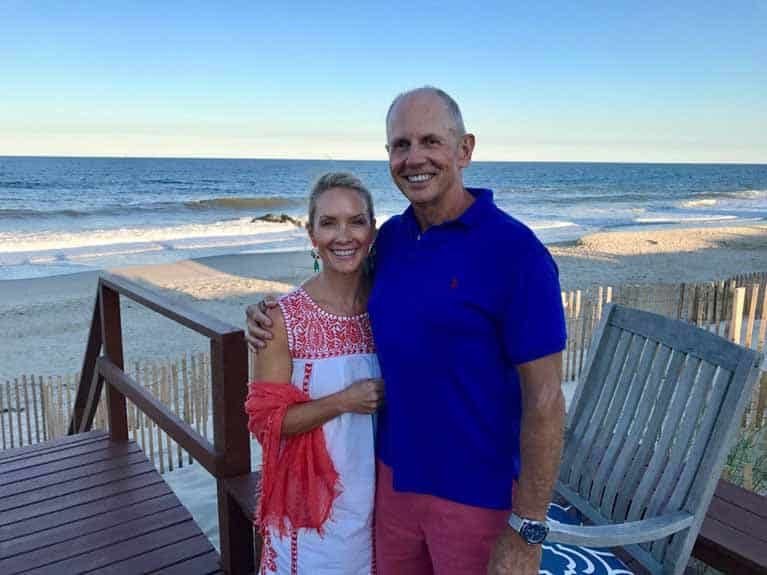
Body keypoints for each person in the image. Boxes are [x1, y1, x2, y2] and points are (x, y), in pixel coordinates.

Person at [247, 87, 567, 575]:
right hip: (390, 487)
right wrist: (267, 314)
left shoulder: (518, 254)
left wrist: (528, 528)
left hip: (475, 496)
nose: (414, 158)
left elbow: (545, 401)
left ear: (465, 149)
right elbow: (340, 276)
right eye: (401, 145)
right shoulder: (393, 239)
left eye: (430, 141)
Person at [244, 172, 384, 574]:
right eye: (328, 223)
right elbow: (265, 424)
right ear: (311, 234)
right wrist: (344, 401)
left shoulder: (390, 305)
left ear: (372, 231)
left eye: (356, 221)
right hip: (314, 507)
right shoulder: (281, 319)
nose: (344, 236)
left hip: (386, 501)